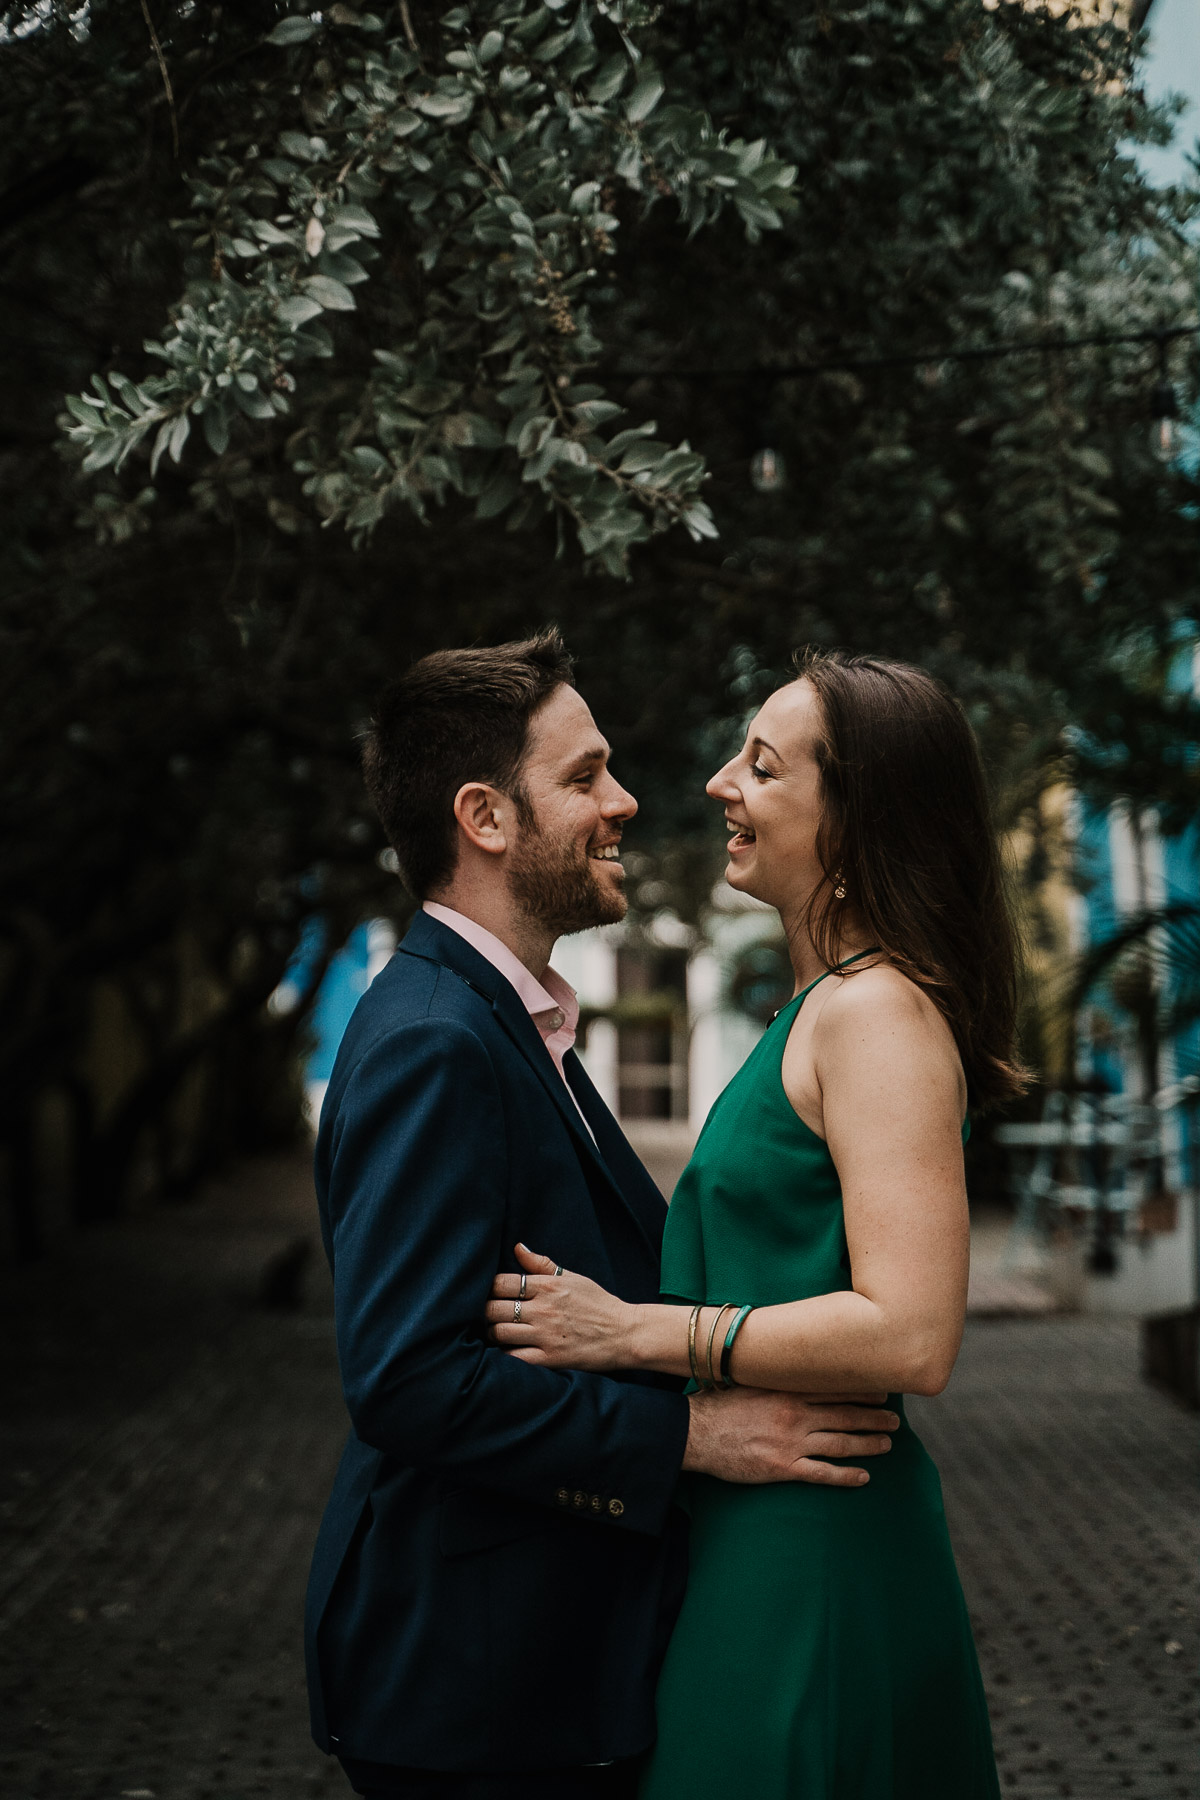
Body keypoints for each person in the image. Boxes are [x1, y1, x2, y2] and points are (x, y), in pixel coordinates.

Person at [304, 632, 899, 1800]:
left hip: (542, 1664)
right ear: (485, 816)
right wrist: (693, 1438)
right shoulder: (436, 1039)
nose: (624, 802)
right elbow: (408, 1382)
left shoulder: (509, 1018)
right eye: (584, 778)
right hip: (479, 1686)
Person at [488, 650, 1026, 1800]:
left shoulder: (876, 1014)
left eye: (764, 766)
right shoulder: (822, 1007)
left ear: (856, 811)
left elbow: (911, 1334)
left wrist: (635, 1335)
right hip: (745, 1519)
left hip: (815, 1545)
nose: (720, 783)